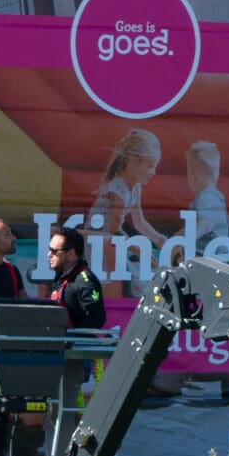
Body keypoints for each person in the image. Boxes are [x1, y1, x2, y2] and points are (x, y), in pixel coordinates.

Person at [88, 128, 165, 289]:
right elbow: (114, 231)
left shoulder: (136, 187)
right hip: (98, 244)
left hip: (113, 241)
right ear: (133, 162)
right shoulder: (117, 190)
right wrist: (139, 250)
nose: (153, 172)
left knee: (132, 280)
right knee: (118, 283)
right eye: (150, 166)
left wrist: (159, 239)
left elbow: (139, 221)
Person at [47, 226, 106, 329]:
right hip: (59, 341)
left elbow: (97, 318)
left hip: (77, 344)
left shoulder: (85, 281)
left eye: (54, 251)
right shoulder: (62, 275)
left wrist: (73, 339)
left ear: (70, 253)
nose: (49, 254)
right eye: (49, 249)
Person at [185, 140, 229, 249]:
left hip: (214, 253)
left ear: (194, 177)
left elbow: (205, 223)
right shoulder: (214, 197)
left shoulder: (205, 197)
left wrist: (187, 241)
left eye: (188, 173)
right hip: (222, 251)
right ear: (217, 175)